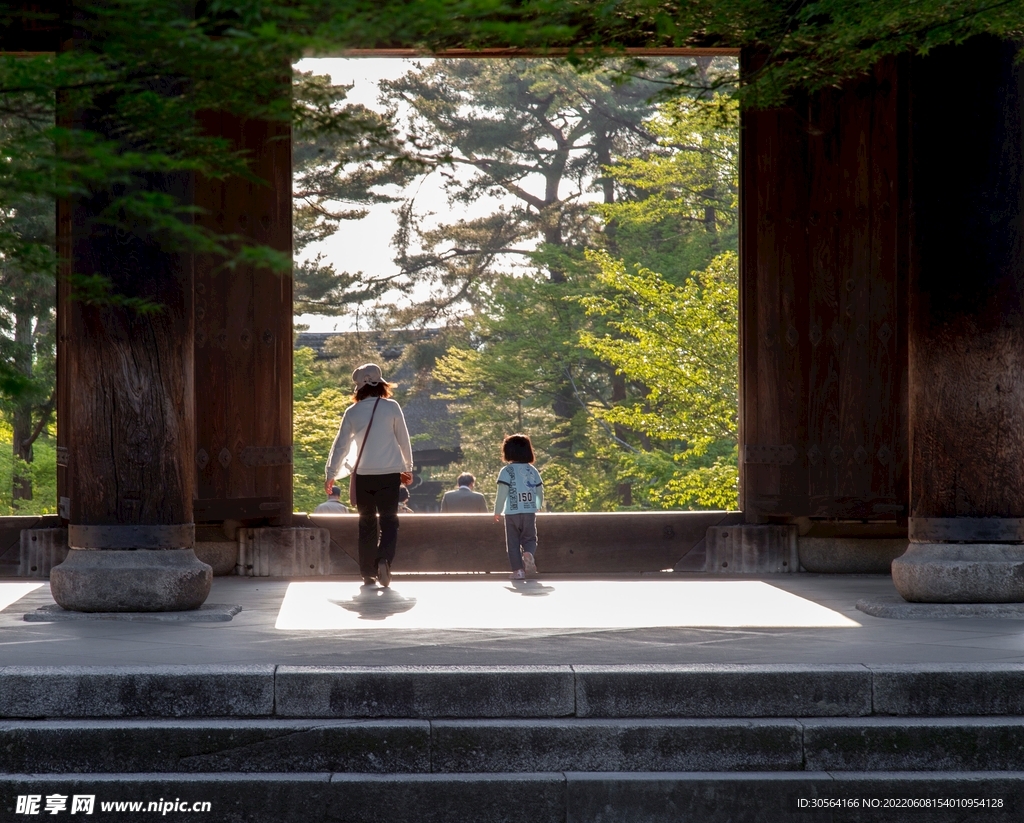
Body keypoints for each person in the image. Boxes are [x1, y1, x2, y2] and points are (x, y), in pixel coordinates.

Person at [325, 363, 414, 588]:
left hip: (364, 475)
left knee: (366, 524)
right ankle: (384, 558)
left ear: (358, 388)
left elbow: (340, 446)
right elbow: (403, 438)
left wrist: (331, 473)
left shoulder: (352, 412)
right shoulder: (392, 407)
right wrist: (408, 467)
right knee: (389, 521)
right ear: (382, 384)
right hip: (390, 474)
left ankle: (367, 572)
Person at [493, 433, 543, 580]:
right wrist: (538, 505)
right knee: (530, 539)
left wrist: (497, 511)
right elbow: (539, 491)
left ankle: (518, 571)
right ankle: (528, 553)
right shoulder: (532, 471)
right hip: (529, 511)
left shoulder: (506, 471)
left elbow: (502, 493)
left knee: (513, 542)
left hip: (512, 512)